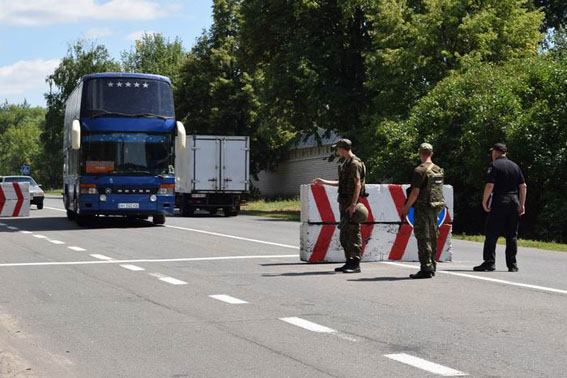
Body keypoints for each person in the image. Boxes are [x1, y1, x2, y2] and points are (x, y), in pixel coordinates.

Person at [312, 139, 368, 273]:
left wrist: (353, 204)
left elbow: (357, 184)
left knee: (353, 232)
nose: (337, 151)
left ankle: (355, 263)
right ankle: (349, 261)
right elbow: (342, 183)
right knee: (345, 234)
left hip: (350, 203)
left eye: (337, 149)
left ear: (343, 149)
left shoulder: (354, 164)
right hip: (344, 203)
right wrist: (323, 182)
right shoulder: (346, 163)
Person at [474, 143, 527, 272]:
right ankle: (512, 265)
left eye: (492, 152)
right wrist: (522, 204)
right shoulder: (515, 166)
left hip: (499, 201)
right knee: (512, 235)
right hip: (513, 201)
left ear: (496, 152)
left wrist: (484, 201)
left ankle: (489, 262)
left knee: (492, 233)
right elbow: (523, 186)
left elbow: (490, 185)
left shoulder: (495, 165)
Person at [401, 143, 446, 279]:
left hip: (423, 207)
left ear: (420, 153)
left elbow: (415, 192)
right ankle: (432, 264)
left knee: (423, 237)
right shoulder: (438, 169)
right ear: (431, 153)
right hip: (435, 207)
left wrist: (406, 207)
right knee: (432, 236)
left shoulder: (419, 170)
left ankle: (426, 268)